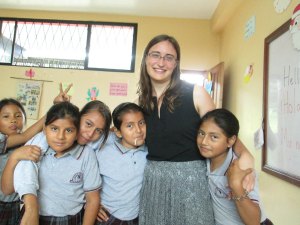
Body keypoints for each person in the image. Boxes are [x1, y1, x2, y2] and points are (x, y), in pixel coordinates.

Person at [137, 34, 254, 225]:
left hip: (192, 183)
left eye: (169, 57)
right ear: (146, 59)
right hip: (154, 184)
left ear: (176, 64)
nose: (161, 62)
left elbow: (222, 129)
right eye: (155, 55)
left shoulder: (196, 93)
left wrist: (246, 155)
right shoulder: (141, 103)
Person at [1, 87, 112, 196]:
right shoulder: (40, 143)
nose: (90, 133)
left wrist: (100, 202)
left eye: (98, 130)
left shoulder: (90, 151)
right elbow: (8, 189)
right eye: (88, 124)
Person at [13, 102, 101, 225]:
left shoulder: (87, 154)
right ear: (44, 128)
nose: (60, 136)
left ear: (77, 133)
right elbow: (7, 188)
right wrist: (14, 156)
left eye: (69, 130)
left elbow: (93, 199)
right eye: (54, 128)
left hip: (69, 219)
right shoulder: (35, 147)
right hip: (33, 215)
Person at [197, 108, 273, 225]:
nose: (204, 142)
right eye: (201, 133)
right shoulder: (206, 160)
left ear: (231, 141)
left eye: (214, 137)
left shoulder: (240, 169)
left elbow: (254, 222)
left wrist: (236, 186)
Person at [95, 102, 147, 225]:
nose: (138, 130)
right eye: (130, 126)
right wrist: (90, 203)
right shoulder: (104, 147)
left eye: (142, 123)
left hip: (136, 217)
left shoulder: (150, 150)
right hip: (107, 217)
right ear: (118, 132)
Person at [0, 98, 44, 225]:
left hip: (16, 204)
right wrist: (54, 108)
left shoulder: (25, 143)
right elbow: (25, 136)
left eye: (18, 115)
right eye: (6, 116)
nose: (13, 120)